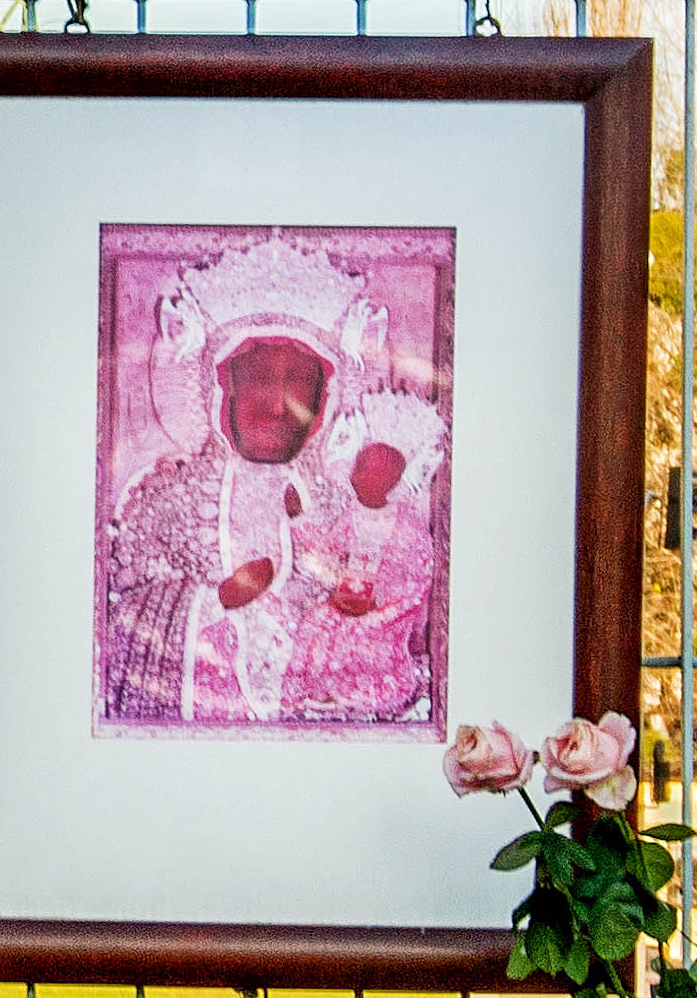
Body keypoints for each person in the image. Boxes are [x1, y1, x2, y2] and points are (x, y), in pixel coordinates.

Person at [94, 244, 444, 729]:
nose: (279, 407)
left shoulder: (342, 505)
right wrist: (216, 600)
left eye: (298, 384)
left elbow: (395, 599)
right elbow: (118, 625)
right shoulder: (165, 501)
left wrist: (354, 607)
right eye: (259, 380)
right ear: (221, 389)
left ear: (323, 400)